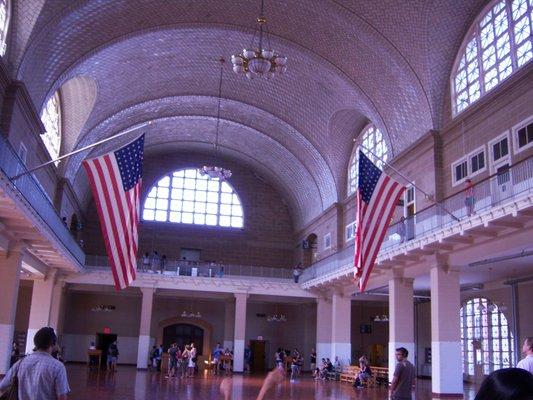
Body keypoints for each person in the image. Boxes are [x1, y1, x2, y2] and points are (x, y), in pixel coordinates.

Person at [0, 327, 70, 399]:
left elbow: (2, 386)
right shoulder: (58, 367)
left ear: (36, 343)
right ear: (53, 343)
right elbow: (62, 397)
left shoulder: (20, 363)